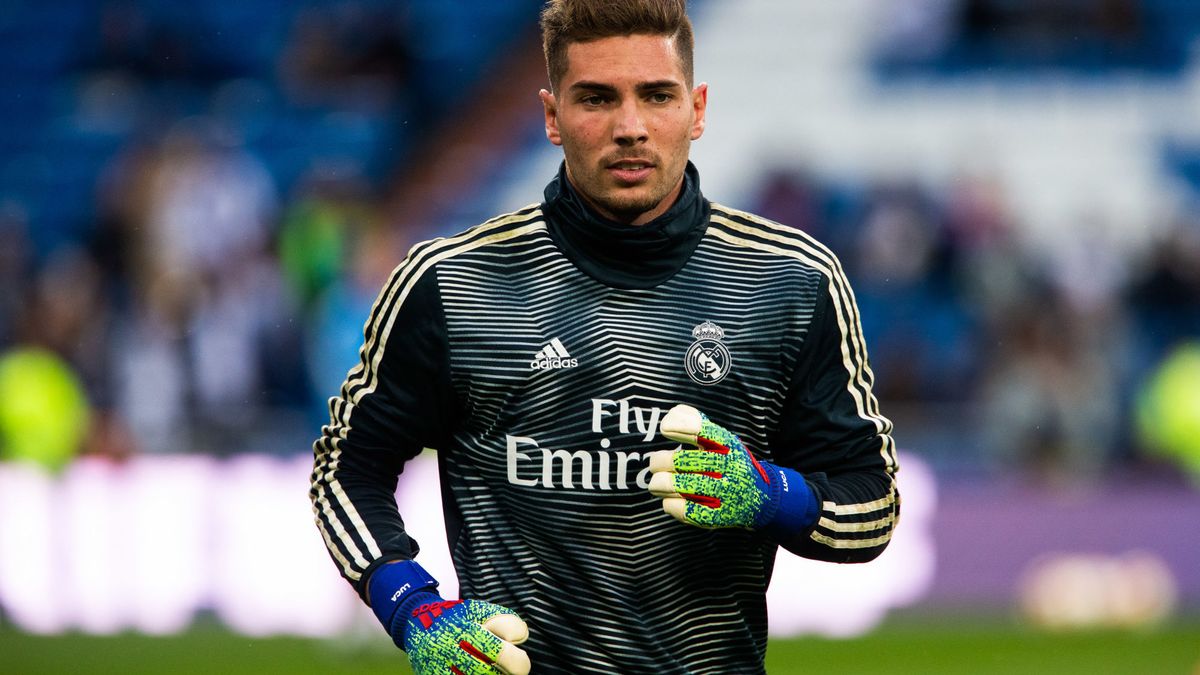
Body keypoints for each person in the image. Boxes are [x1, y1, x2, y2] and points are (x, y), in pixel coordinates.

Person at [309, 1, 899, 673]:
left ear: (697, 109)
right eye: (596, 98)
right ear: (552, 116)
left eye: (657, 96)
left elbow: (871, 504)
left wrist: (773, 497)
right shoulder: (453, 283)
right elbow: (346, 471)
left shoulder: (790, 281)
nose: (629, 127)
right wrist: (410, 605)